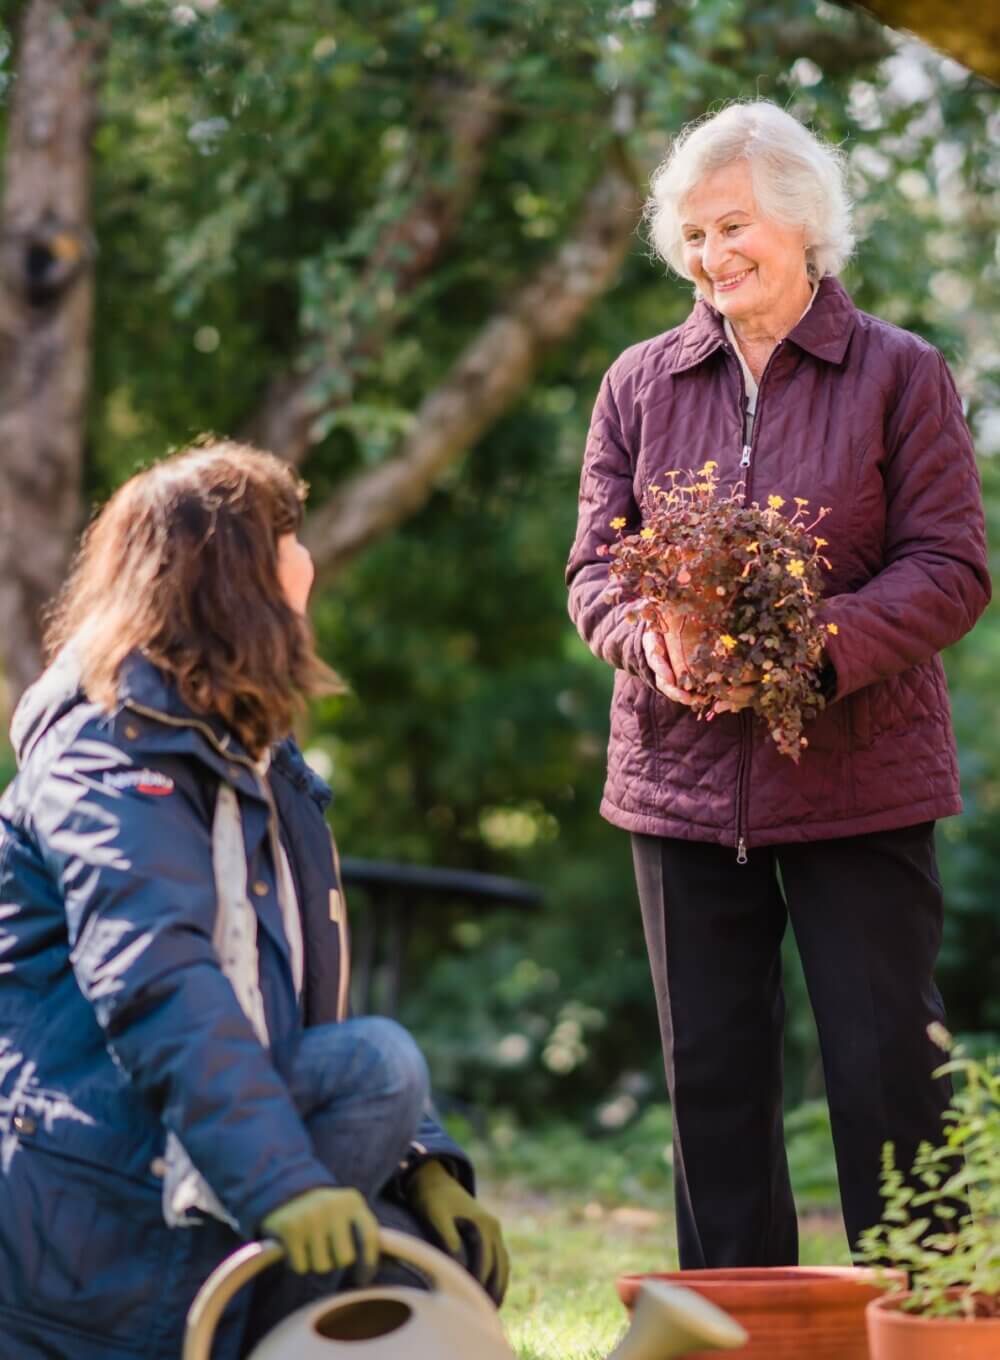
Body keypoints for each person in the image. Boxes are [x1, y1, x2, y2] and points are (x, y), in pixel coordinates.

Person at [566, 101, 991, 1269]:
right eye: (692, 235)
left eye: (734, 225)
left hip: (858, 778)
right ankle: (736, 1335)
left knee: (886, 1074)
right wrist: (643, 632)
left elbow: (951, 569)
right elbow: (594, 566)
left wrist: (809, 645)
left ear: (804, 225)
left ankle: (925, 1322)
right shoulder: (638, 381)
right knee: (710, 1084)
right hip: (681, 785)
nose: (712, 256)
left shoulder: (899, 373)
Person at [0, 440, 508, 1359]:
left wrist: (417, 1160)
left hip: (171, 1150)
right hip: (84, 1191)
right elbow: (161, 981)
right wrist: (283, 1185)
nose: (304, 561)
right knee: (375, 1065)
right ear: (233, 576)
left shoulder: (248, 760)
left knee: (424, 1255)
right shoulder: (109, 755)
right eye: (286, 536)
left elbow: (290, 1002)